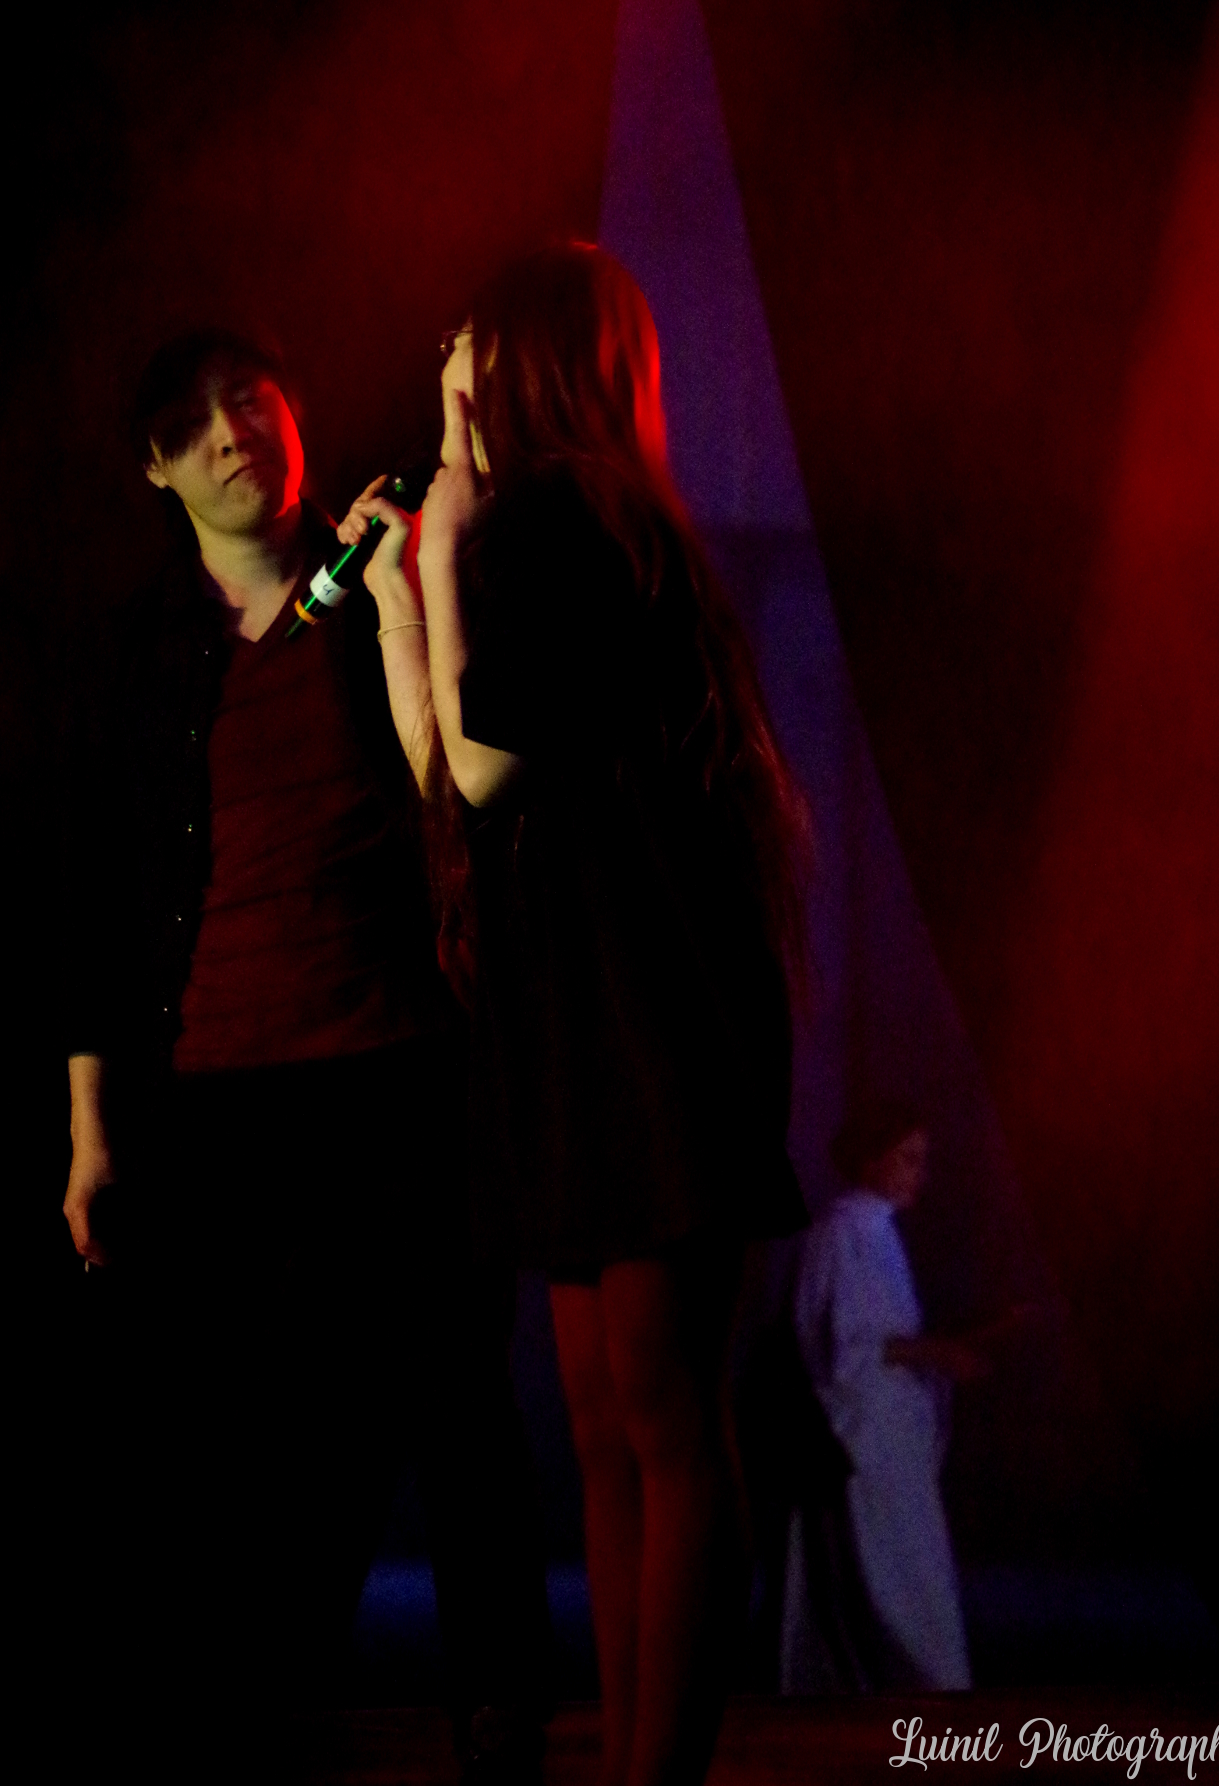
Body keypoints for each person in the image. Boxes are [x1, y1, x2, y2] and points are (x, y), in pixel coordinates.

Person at [339, 241, 808, 1786]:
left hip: (646, 1022)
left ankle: (654, 1769)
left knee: (662, 1419)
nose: (446, 358)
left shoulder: (573, 521)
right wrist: (403, 600)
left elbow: (479, 766)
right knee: (609, 1422)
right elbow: (444, 774)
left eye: (469, 337)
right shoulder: (535, 526)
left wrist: (452, 526)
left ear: (531, 356)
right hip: (579, 1021)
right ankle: (630, 1756)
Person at [60, 329, 547, 1782]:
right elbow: (93, 898)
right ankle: (250, 1708)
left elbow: (470, 785)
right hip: (210, 1091)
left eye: (251, 402)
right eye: (197, 422)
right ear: (158, 467)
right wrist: (89, 1133)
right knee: (245, 1431)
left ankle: (500, 1709)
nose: (233, 435)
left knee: (456, 1397)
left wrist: (409, 588)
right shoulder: (141, 650)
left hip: (397, 1061)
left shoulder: (380, 573)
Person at [781, 1103, 981, 1694]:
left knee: (907, 1569)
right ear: (871, 1161)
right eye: (907, 1159)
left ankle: (915, 1682)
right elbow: (853, 1346)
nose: (919, 1173)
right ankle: (914, 1682)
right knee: (890, 1570)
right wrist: (937, 1353)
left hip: (890, 1440)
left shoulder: (875, 1232)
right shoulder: (845, 1234)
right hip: (866, 1439)